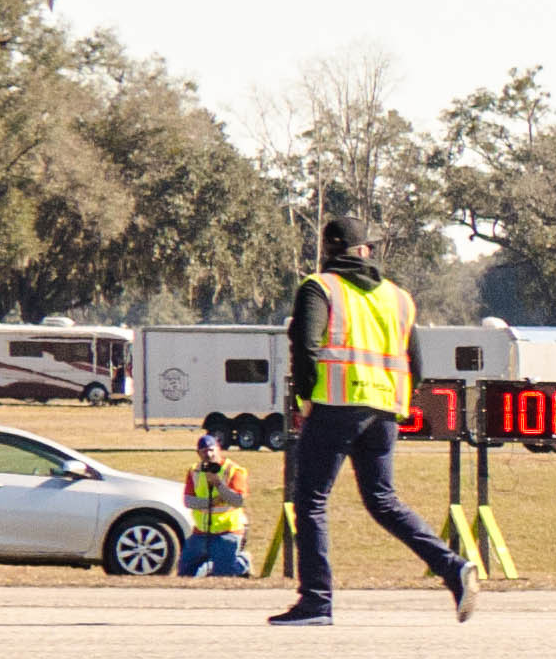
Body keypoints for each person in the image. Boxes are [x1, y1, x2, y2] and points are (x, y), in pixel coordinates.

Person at [268, 211, 473, 628]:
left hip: (335, 405)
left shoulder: (319, 288)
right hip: (384, 413)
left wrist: (306, 398)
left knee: (310, 501)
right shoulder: (397, 297)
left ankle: (317, 602)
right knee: (383, 502)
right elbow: (416, 362)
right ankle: (453, 568)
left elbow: (304, 346)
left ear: (328, 251)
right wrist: (397, 401)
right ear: (364, 251)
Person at [182, 436, 252, 578]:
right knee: (184, 572)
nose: (208, 455)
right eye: (204, 451)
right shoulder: (194, 471)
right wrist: (212, 502)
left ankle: (243, 562)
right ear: (198, 453)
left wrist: (219, 485)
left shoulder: (233, 470)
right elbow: (188, 501)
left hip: (228, 531)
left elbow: (238, 501)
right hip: (201, 532)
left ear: (218, 450)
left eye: (211, 450)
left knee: (223, 575)